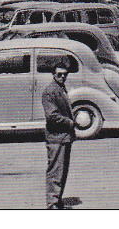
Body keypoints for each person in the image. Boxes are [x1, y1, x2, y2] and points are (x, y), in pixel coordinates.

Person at [41, 61, 76, 209]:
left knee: (62, 171)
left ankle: (57, 199)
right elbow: (52, 116)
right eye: (59, 74)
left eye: (65, 74)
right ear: (53, 75)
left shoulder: (61, 88)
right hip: (56, 137)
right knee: (55, 171)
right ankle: (52, 203)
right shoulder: (50, 91)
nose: (62, 77)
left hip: (64, 137)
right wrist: (70, 123)